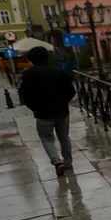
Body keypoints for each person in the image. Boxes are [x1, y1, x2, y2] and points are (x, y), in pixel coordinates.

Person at [17, 46, 77, 176]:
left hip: (42, 113)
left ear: (32, 59)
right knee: (64, 137)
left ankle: (57, 162)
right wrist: (63, 101)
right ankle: (68, 163)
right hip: (62, 110)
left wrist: (34, 107)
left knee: (47, 139)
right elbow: (71, 90)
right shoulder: (58, 71)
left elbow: (24, 95)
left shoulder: (28, 74)